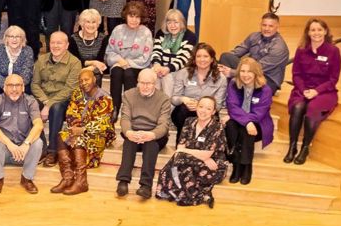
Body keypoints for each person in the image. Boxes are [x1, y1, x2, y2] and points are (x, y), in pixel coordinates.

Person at [284, 18, 341, 165]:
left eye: (319, 30)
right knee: (297, 108)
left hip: (324, 91)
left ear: (325, 31)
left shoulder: (333, 51)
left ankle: (305, 147)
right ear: (308, 33)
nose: (316, 33)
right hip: (303, 89)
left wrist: (316, 91)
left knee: (313, 109)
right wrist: (303, 90)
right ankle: (292, 147)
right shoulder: (301, 50)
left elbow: (333, 79)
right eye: (313, 30)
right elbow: (296, 74)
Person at [155, 95, 226, 208]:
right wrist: (186, 151)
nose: (203, 110)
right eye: (201, 106)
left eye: (208, 108)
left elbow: (206, 154)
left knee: (178, 160)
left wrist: (185, 151)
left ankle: (180, 194)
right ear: (196, 108)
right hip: (190, 162)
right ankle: (200, 196)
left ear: (213, 112)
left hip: (211, 166)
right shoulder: (189, 122)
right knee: (181, 162)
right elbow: (180, 146)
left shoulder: (217, 127)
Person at [53, 68, 114, 195]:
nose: (83, 83)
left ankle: (81, 181)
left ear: (94, 79)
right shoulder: (77, 93)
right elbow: (71, 113)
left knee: (78, 138)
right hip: (79, 132)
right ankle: (68, 177)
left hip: (98, 135)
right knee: (61, 135)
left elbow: (103, 123)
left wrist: (83, 129)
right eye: (81, 81)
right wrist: (76, 129)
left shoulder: (104, 98)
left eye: (87, 79)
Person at [115, 68, 171, 200]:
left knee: (151, 145)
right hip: (133, 131)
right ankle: (123, 181)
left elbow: (163, 125)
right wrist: (129, 132)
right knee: (129, 141)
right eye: (142, 83)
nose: (145, 86)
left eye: (149, 83)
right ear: (137, 82)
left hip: (155, 135)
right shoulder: (128, 95)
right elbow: (125, 118)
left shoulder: (163, 99)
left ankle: (146, 185)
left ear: (155, 83)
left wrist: (150, 134)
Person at [0, 74, 44, 193]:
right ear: (4, 87)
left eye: (18, 85)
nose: (14, 89)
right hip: (4, 152)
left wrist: (26, 144)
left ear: (23, 88)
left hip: (23, 152)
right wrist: (9, 144)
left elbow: (39, 125)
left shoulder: (31, 101)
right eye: (10, 85)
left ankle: (27, 178)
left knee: (38, 143)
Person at [31, 31, 83, 166]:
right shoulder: (42, 60)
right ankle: (41, 147)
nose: (55, 46)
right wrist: (45, 102)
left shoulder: (74, 63)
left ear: (66, 45)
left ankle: (53, 150)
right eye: (53, 42)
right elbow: (35, 84)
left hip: (63, 99)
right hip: (44, 97)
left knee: (57, 107)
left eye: (59, 43)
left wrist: (49, 105)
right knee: (31, 104)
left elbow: (69, 89)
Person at [224, 56, 275, 185]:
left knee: (246, 131)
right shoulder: (233, 84)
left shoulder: (265, 89)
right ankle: (236, 165)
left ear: (256, 73)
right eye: (242, 71)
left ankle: (246, 166)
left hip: (259, 124)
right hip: (242, 121)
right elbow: (232, 106)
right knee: (231, 125)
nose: (245, 75)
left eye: (249, 71)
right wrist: (246, 121)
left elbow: (259, 113)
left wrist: (247, 122)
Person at [170, 43, 227, 142]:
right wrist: (183, 99)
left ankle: (203, 149)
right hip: (185, 112)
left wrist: (200, 106)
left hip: (208, 112)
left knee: (208, 117)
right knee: (182, 113)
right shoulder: (183, 73)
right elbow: (174, 99)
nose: (202, 59)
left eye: (205, 56)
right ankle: (181, 148)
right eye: (198, 56)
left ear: (212, 59)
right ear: (194, 58)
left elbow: (217, 106)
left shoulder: (221, 78)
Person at [106, 1, 154, 113]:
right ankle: (114, 108)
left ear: (141, 18)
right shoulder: (118, 30)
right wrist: (119, 60)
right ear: (125, 16)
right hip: (118, 63)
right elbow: (109, 52)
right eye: (131, 16)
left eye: (137, 17)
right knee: (117, 72)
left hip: (137, 66)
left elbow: (145, 58)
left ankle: (129, 109)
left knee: (128, 73)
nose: (134, 20)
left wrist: (126, 63)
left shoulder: (146, 32)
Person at [227, 12, 290, 93]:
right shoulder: (254, 36)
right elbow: (237, 52)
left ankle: (235, 92)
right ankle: (229, 91)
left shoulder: (279, 47)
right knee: (226, 57)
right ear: (260, 25)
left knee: (242, 79)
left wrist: (233, 72)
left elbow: (258, 69)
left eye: (271, 26)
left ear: (277, 28)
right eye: (264, 25)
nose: (266, 29)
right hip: (248, 71)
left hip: (267, 78)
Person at [149, 10, 196, 95]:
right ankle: (153, 105)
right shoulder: (161, 33)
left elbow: (183, 59)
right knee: (150, 75)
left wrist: (167, 69)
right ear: (166, 24)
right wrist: (157, 65)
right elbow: (156, 51)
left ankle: (167, 106)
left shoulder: (189, 36)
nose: (172, 26)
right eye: (169, 23)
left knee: (167, 77)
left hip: (179, 69)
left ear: (182, 23)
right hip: (160, 67)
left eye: (176, 22)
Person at [0, 26, 35, 95]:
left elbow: (27, 73)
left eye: (17, 37)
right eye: (11, 36)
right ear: (6, 38)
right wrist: (7, 85)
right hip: (0, 86)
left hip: (21, 85)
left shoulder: (28, 51)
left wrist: (15, 86)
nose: (14, 39)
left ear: (22, 39)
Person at [69, 8, 108, 76]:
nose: (91, 25)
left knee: (97, 72)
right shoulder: (73, 39)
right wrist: (93, 62)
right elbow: (74, 61)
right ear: (82, 24)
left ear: (98, 24)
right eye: (88, 22)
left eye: (94, 22)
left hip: (96, 69)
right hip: (77, 69)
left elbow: (101, 61)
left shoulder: (103, 38)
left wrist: (90, 68)